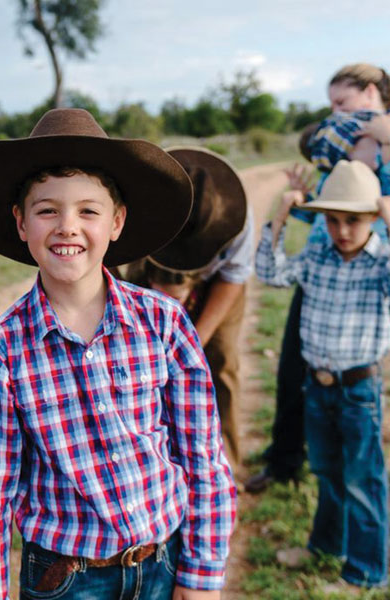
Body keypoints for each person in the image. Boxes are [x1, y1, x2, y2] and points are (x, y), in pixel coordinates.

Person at [0, 108, 236, 600]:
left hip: (161, 563)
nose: (67, 226)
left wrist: (203, 575)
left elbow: (203, 457)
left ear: (117, 222)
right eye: (47, 210)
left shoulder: (164, 323)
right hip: (64, 576)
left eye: (88, 210)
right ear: (21, 223)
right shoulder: (2, 348)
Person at [245, 62, 390, 493]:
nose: (333, 113)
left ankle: (353, 472)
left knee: (358, 379)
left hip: (371, 275)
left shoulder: (376, 138)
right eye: (330, 104)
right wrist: (306, 198)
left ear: (370, 91)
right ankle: (286, 460)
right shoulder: (343, 142)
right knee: (294, 369)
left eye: (341, 101)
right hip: (320, 271)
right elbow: (330, 217)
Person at [255, 159, 389, 593]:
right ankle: (326, 545)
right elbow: (271, 273)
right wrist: (279, 217)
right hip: (318, 384)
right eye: (332, 219)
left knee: (363, 480)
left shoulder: (381, 263)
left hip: (359, 388)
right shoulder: (318, 254)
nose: (342, 230)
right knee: (328, 471)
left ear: (373, 218)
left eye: (354, 220)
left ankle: (365, 571)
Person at [124, 147, 253, 473]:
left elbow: (234, 276)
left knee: (219, 363)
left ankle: (224, 471)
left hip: (217, 283)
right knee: (139, 365)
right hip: (147, 273)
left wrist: (195, 343)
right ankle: (157, 467)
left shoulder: (237, 220)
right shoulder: (135, 202)